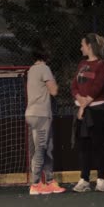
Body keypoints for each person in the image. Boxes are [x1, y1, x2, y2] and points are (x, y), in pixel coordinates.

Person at [71, 33, 104, 192]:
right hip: (82, 110)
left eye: (82, 44)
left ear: (89, 46)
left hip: (97, 111)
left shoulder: (102, 64)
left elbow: (97, 86)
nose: (81, 48)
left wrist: (83, 105)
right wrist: (78, 98)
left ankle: (101, 179)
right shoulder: (81, 64)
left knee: (98, 145)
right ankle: (84, 179)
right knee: (83, 146)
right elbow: (74, 85)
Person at [25, 43, 66, 195]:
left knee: (46, 147)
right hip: (40, 115)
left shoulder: (31, 70)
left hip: (33, 114)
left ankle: (49, 181)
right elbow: (54, 91)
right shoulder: (44, 69)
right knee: (41, 149)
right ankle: (35, 184)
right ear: (46, 57)